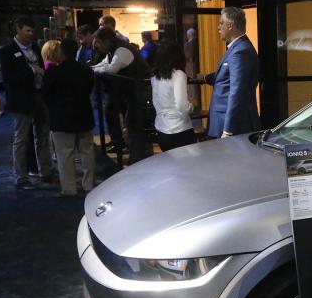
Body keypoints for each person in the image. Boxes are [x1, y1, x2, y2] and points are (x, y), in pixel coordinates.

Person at [0, 17, 57, 189]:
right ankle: (21, 177)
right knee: (21, 139)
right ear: (18, 29)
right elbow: (10, 78)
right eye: (27, 31)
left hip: (39, 97)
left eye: (32, 31)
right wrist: (33, 71)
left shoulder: (35, 48)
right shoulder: (7, 51)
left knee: (43, 137)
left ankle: (46, 172)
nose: (30, 34)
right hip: (21, 100)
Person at [42, 39, 96, 197]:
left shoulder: (53, 72)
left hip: (61, 118)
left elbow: (45, 95)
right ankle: (89, 185)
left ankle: (69, 189)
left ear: (61, 52)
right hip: (84, 116)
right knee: (87, 153)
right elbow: (89, 90)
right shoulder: (86, 70)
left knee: (65, 155)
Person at [91, 27, 151, 160]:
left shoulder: (122, 50)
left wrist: (94, 70)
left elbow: (111, 68)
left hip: (139, 91)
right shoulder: (114, 51)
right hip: (130, 93)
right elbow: (103, 65)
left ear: (107, 41)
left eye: (99, 42)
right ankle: (133, 153)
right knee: (130, 122)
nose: (98, 46)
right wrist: (93, 69)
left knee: (133, 124)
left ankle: (138, 156)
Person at [204, 7, 260, 138]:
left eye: (221, 23)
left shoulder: (240, 51)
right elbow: (227, 76)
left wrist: (228, 130)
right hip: (226, 123)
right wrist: (206, 78)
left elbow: (237, 91)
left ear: (230, 25)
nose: (218, 27)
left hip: (233, 126)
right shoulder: (237, 48)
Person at [150, 40, 197, 152]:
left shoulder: (155, 76)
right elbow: (181, 106)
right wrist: (192, 104)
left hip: (162, 129)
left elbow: (156, 102)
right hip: (179, 130)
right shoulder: (178, 75)